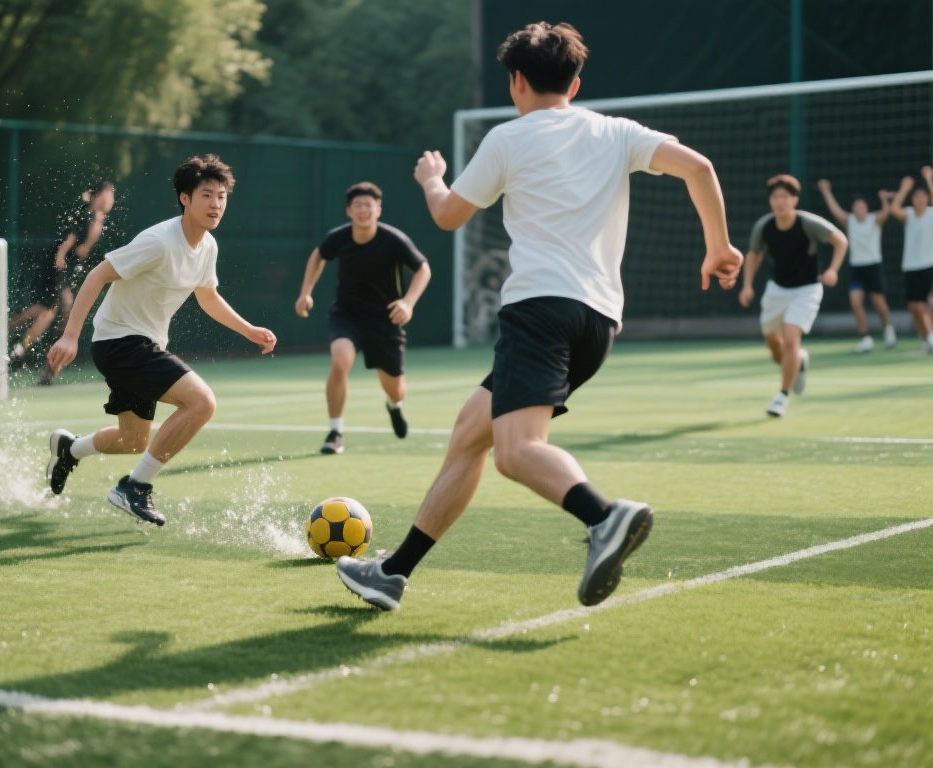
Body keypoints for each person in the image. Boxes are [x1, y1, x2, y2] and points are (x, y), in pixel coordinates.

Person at [335, 22, 743, 611]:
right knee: (469, 435)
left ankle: (604, 517)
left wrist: (432, 180)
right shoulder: (617, 131)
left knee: (516, 450)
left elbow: (448, 216)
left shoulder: (507, 138)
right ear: (574, 84)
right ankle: (392, 573)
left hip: (540, 313)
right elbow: (699, 167)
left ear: (517, 81)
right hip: (598, 323)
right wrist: (718, 246)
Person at [45, 155, 277, 525]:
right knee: (201, 402)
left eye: (221, 196)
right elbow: (97, 275)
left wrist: (248, 330)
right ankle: (135, 487)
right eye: (207, 195)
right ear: (185, 198)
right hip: (121, 342)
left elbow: (207, 296)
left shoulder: (207, 246)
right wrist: (70, 336)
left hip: (141, 344)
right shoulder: (159, 241)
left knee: (133, 441)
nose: (216, 204)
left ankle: (70, 449)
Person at [295, 182, 432, 454]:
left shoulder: (394, 240)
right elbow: (318, 256)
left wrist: (408, 303)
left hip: (386, 320)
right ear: (349, 210)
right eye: (357, 205)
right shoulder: (338, 237)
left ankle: (394, 406)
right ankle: (335, 432)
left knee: (395, 389)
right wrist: (305, 293)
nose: (363, 210)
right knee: (340, 361)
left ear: (378, 209)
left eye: (369, 205)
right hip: (348, 315)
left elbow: (423, 269)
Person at [738, 175, 847, 417]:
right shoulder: (764, 226)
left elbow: (840, 240)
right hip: (777, 290)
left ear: (795, 200)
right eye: (775, 197)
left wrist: (832, 270)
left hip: (807, 290)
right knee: (774, 345)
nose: (780, 202)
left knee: (790, 338)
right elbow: (754, 254)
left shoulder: (808, 223)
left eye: (785, 197)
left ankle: (782, 396)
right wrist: (747, 286)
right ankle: (798, 362)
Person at [9, 181, 116, 381]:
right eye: (108, 195)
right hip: (59, 266)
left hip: (67, 268)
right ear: (97, 196)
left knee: (50, 311)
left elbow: (82, 250)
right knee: (51, 312)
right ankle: (21, 353)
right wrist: (61, 256)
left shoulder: (97, 218)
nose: (111, 200)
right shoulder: (87, 215)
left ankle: (41, 359)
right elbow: (71, 240)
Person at [816, 179, 895, 353]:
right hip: (857, 269)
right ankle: (865, 338)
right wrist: (826, 191)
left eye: (862, 206)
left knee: (879, 303)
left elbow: (886, 213)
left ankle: (888, 328)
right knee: (855, 302)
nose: (859, 209)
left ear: (867, 208)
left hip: (873, 266)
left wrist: (884, 200)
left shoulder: (875, 219)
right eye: (856, 207)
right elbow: (835, 210)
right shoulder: (850, 220)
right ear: (853, 209)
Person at [888, 168, 933, 353]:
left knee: (925, 304)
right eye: (916, 197)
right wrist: (904, 189)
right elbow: (893, 209)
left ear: (927, 199)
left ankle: (931, 337)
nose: (920, 200)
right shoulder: (908, 214)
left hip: (929, 265)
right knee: (914, 307)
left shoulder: (931, 213)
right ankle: (926, 338)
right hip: (911, 266)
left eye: (923, 196)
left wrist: (929, 179)